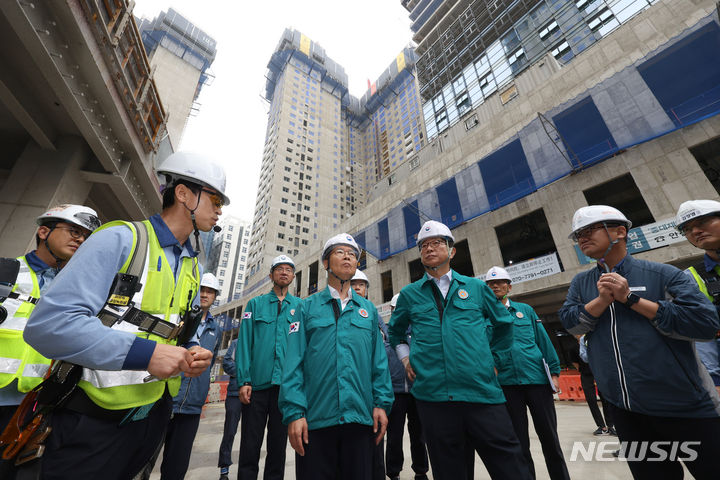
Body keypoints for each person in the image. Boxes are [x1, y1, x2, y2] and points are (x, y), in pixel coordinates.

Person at [22, 151, 228, 479]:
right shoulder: (120, 239)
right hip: (92, 421)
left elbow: (170, 333)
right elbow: (49, 325)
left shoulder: (191, 267)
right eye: (215, 198)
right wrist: (147, 354)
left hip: (151, 418)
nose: (220, 209)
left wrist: (189, 352)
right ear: (184, 194)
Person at [559, 204, 720, 479]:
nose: (582, 238)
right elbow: (570, 321)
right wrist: (600, 302)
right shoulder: (581, 284)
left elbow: (704, 325)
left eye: (590, 230)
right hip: (625, 410)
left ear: (620, 231)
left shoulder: (664, 275)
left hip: (683, 405)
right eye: (578, 235)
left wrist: (631, 299)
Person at [388, 220, 531, 480]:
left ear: (452, 251)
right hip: (434, 399)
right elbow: (396, 332)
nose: (430, 248)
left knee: (511, 467)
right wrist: (405, 358)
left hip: (482, 395)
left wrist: (494, 359)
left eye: (437, 243)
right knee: (449, 471)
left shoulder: (476, 288)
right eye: (424, 245)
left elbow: (504, 323)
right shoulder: (410, 294)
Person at [279, 233, 393, 480]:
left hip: (360, 419)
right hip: (317, 420)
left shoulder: (368, 311)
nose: (348, 257)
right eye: (340, 252)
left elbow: (378, 363)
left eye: (353, 255)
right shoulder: (305, 308)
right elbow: (293, 364)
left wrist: (381, 403)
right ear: (326, 263)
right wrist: (295, 413)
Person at [0, 204, 100, 477]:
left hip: (33, 405)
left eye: (85, 236)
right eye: (73, 231)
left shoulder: (77, 289)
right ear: (44, 231)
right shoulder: (6, 272)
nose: (79, 239)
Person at [484, 266, 569, 480]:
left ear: (509, 286)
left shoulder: (526, 310)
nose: (496, 285)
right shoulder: (482, 316)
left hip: (536, 381)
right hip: (506, 385)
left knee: (550, 438)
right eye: (491, 283)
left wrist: (555, 373)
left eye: (501, 282)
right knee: (518, 442)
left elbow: (543, 341)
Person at [236, 255, 301, 480]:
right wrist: (244, 380)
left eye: (288, 269)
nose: (284, 272)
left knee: (278, 447)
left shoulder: (300, 307)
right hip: (256, 388)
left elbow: (303, 350)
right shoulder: (255, 305)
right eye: (279, 269)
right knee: (249, 445)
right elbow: (244, 345)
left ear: (293, 276)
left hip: (285, 390)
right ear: (271, 275)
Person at [158, 272, 222, 479]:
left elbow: (209, 363)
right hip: (164, 399)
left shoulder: (216, 329)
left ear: (215, 296)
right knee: (144, 458)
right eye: (202, 290)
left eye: (210, 291)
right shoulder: (179, 319)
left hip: (193, 405)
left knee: (177, 465)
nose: (205, 295)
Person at [675, 200, 720, 397]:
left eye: (702, 222)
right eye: (688, 229)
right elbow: (703, 336)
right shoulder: (692, 277)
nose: (695, 231)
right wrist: (715, 381)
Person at [384, 293, 429, 480]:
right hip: (394, 392)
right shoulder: (384, 331)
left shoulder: (418, 330)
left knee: (418, 434)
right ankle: (393, 473)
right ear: (391, 310)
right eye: (396, 309)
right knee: (394, 435)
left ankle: (421, 471)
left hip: (417, 391)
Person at [573, 335, 615, 436]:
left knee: (606, 399)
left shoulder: (601, 336)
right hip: (586, 374)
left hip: (600, 372)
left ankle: (610, 425)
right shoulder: (581, 342)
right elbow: (581, 359)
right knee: (591, 399)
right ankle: (601, 426)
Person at [218, 338, 240, 480]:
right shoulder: (236, 343)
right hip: (235, 394)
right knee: (230, 432)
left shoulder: (260, 341)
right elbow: (226, 363)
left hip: (254, 394)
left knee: (251, 436)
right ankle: (224, 470)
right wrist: (246, 371)